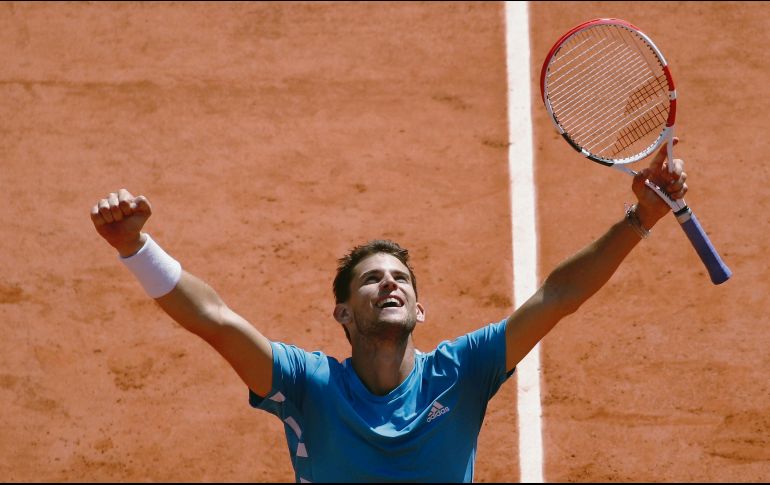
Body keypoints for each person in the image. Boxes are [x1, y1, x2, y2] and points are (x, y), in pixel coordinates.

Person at [90, 141, 687, 483]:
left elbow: (557, 297)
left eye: (400, 278)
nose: (389, 284)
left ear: (420, 309)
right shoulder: (308, 385)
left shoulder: (462, 371)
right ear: (343, 314)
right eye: (371, 280)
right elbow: (215, 320)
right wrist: (136, 248)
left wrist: (640, 220)